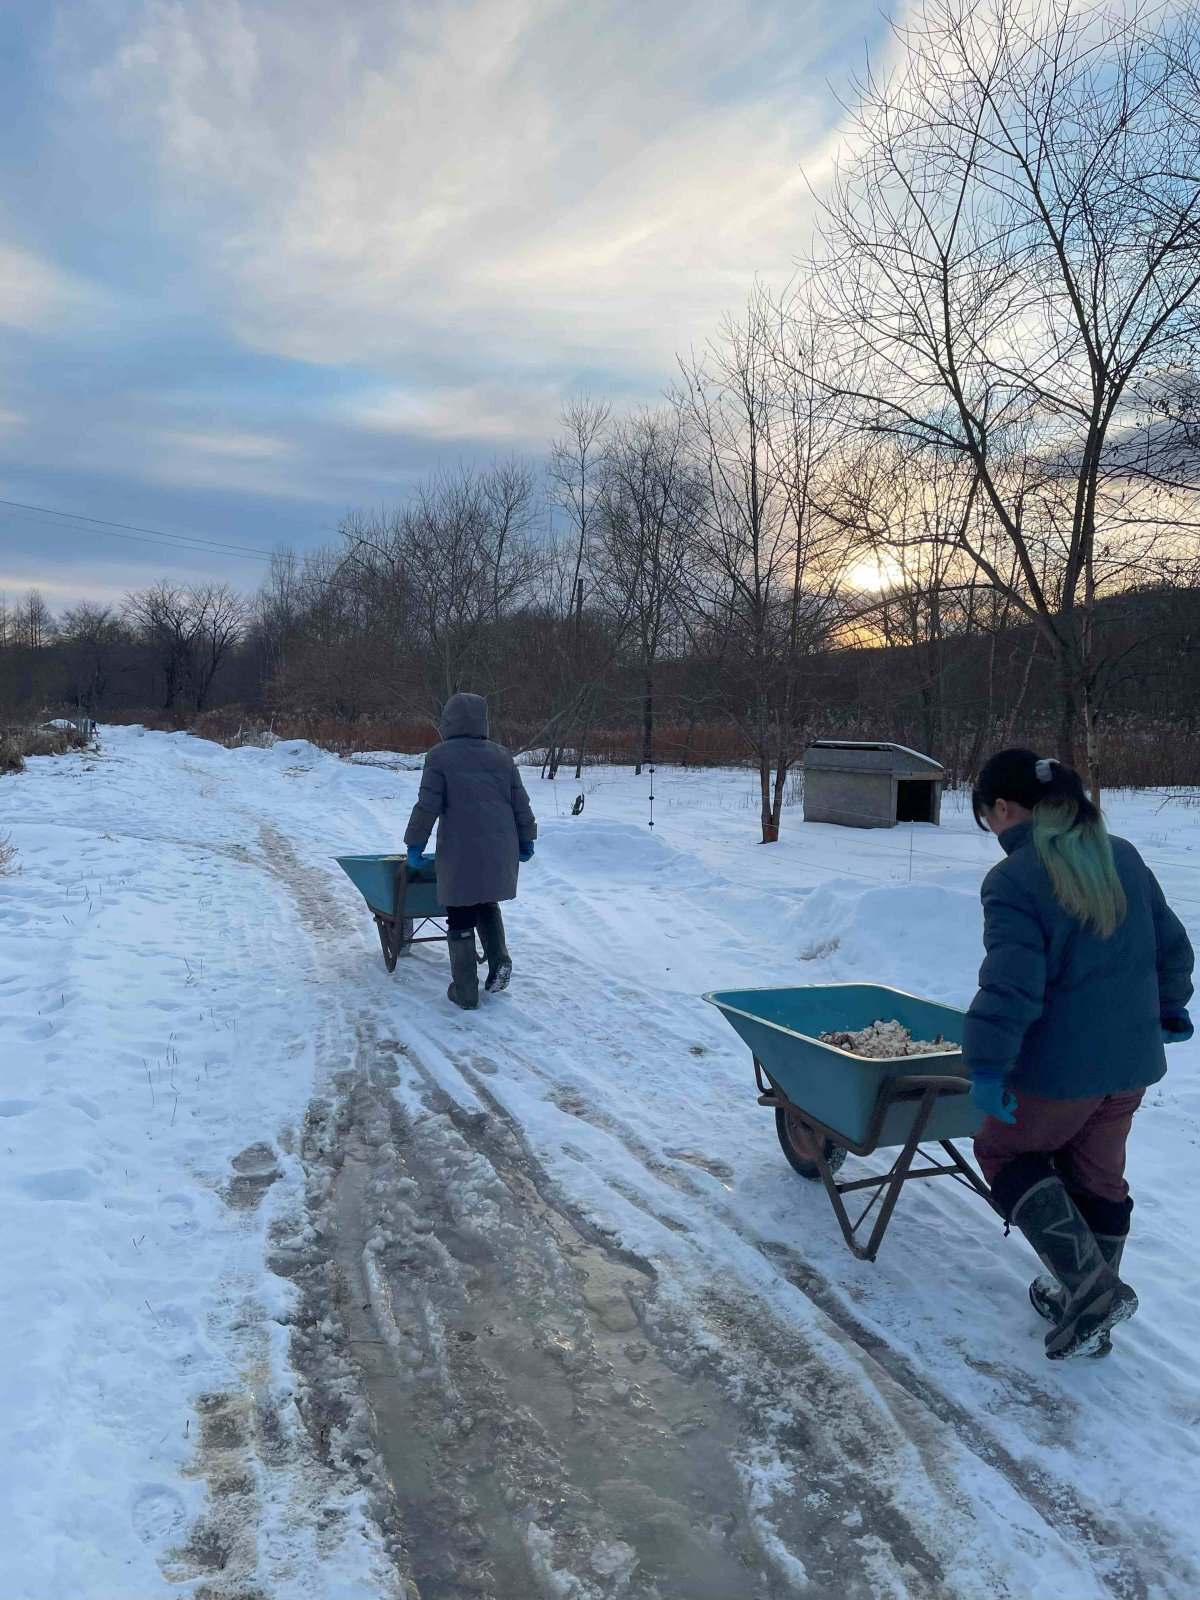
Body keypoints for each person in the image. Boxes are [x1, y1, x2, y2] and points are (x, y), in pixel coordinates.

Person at [963, 748, 1193, 1361]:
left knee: (1004, 1149)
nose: (992, 830)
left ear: (1005, 808)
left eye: (988, 816)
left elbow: (1011, 986)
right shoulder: (1121, 855)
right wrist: (1170, 1008)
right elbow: (1171, 944)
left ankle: (1091, 1293)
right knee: (1097, 1174)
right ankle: (1090, 1307)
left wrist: (986, 1068)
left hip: (1060, 1071)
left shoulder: (1013, 879)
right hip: (1131, 1065)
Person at [404, 692, 537, 1010]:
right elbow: (520, 800)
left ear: (448, 721)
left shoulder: (439, 756)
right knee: (486, 901)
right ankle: (499, 958)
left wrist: (415, 844)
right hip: (500, 845)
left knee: (460, 911)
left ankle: (464, 989)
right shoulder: (502, 755)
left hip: (460, 847)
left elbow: (428, 805)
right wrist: (527, 837)